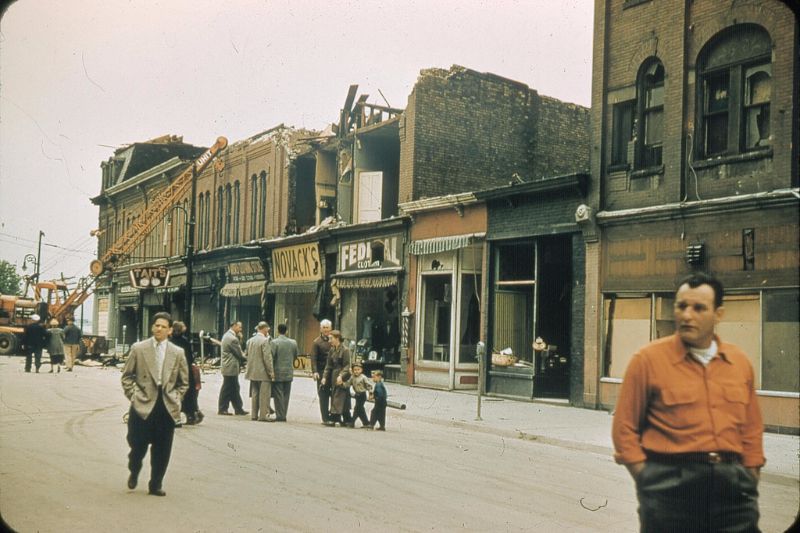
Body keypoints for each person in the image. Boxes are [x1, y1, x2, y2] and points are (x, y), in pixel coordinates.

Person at [612, 272, 764, 532]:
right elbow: (624, 427)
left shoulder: (739, 363)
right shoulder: (647, 360)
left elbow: (751, 428)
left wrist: (750, 476)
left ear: (718, 315)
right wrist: (647, 479)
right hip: (670, 489)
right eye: (681, 306)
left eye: (698, 308)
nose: (687, 315)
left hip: (733, 492)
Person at [121, 312, 189, 496]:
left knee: (163, 447)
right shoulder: (139, 348)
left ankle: (155, 484)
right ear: (152, 327)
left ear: (169, 331)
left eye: (163, 326)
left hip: (166, 405)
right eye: (156, 325)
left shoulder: (177, 352)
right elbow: (127, 376)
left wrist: (177, 398)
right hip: (142, 403)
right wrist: (134, 396)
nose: (159, 329)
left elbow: (184, 382)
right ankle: (134, 469)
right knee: (137, 444)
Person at [170, 321, 202, 426]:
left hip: (173, 372)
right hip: (185, 371)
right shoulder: (185, 342)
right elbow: (190, 357)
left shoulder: (170, 341)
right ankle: (191, 415)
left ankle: (175, 416)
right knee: (189, 394)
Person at [245, 321, 274, 422]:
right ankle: (263, 415)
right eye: (267, 329)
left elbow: (246, 354)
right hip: (263, 372)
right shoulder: (265, 341)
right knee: (264, 394)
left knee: (255, 393)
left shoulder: (250, 341)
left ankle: (254, 415)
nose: (268, 331)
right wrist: (271, 371)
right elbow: (267, 358)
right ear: (264, 328)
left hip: (252, 371)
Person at [321, 330, 351, 427]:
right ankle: (344, 418)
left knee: (340, 396)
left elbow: (347, 365)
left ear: (337, 338)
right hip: (333, 376)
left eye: (331, 338)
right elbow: (328, 365)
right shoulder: (332, 350)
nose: (329, 341)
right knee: (336, 396)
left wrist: (341, 376)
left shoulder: (345, 350)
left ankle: (336, 417)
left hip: (342, 377)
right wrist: (324, 377)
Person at [218, 321, 248, 416]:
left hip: (228, 366)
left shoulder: (227, 335)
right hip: (230, 367)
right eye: (239, 327)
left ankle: (238, 408)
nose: (241, 329)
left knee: (234, 388)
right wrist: (248, 358)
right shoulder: (232, 339)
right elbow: (239, 353)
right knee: (227, 388)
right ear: (234, 326)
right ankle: (223, 408)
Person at [270, 323, 298, 422]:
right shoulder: (293, 342)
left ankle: (280, 415)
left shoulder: (274, 342)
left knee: (278, 395)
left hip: (278, 371)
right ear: (286, 331)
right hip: (289, 371)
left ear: (278, 331)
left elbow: (272, 357)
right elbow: (295, 356)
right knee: (286, 394)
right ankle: (284, 413)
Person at [310, 319, 333, 425]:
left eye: (327, 328)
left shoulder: (334, 340)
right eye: (324, 328)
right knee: (323, 395)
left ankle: (334, 415)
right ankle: (325, 418)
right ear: (320, 329)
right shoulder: (316, 342)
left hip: (333, 372)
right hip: (321, 371)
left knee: (335, 395)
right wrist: (315, 371)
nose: (326, 330)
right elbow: (313, 358)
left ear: (331, 328)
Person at [343, 360, 372, 428]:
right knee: (360, 410)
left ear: (361, 370)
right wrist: (342, 384)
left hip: (362, 395)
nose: (356, 371)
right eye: (355, 370)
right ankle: (366, 423)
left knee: (357, 409)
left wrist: (371, 393)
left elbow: (369, 386)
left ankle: (352, 423)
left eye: (358, 370)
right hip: (357, 395)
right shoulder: (352, 377)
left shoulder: (363, 377)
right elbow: (348, 383)